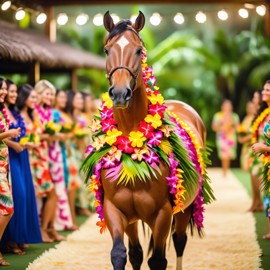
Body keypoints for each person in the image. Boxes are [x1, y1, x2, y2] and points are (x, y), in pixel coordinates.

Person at [1, 81, 42, 255]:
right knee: (19, 196)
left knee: (23, 196)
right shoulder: (4, 111)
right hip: (10, 154)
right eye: (9, 90)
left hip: (20, 155)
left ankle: (18, 237)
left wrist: (26, 144)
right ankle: (10, 240)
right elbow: (6, 134)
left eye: (13, 91)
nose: (13, 94)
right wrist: (12, 141)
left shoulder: (12, 111)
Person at [32, 80, 64, 242]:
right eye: (48, 93)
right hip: (35, 156)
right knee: (49, 194)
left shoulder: (47, 111)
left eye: (52, 94)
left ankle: (50, 228)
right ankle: (43, 230)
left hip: (46, 155)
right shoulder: (34, 111)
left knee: (53, 194)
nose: (51, 97)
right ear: (39, 93)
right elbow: (33, 134)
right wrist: (48, 135)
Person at [0, 78, 21, 266]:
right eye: (2, 89)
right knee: (7, 209)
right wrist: (10, 134)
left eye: (5, 89)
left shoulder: (1, 112)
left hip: (3, 166)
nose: (4, 92)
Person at [50, 89, 73, 231]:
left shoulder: (62, 114)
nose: (64, 100)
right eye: (61, 97)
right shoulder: (53, 114)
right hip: (54, 150)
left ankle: (63, 220)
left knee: (64, 182)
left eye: (65, 97)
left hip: (63, 149)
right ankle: (56, 223)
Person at [251, 80, 270, 239]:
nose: (264, 92)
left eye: (267, 90)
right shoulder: (267, 113)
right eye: (264, 89)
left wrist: (265, 148)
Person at [212, 99, 240, 177]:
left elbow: (238, 127)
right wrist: (222, 128)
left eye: (229, 105)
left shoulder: (234, 116)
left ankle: (226, 171)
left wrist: (233, 125)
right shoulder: (218, 115)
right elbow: (214, 127)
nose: (228, 107)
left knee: (228, 155)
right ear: (222, 106)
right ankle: (224, 171)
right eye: (226, 105)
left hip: (231, 138)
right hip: (222, 137)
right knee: (223, 155)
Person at [238, 100, 257, 171]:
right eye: (247, 107)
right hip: (245, 147)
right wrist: (240, 137)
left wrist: (244, 139)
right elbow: (241, 130)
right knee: (244, 167)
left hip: (251, 147)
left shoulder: (255, 118)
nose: (249, 108)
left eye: (251, 107)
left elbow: (255, 133)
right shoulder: (246, 118)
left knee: (251, 168)